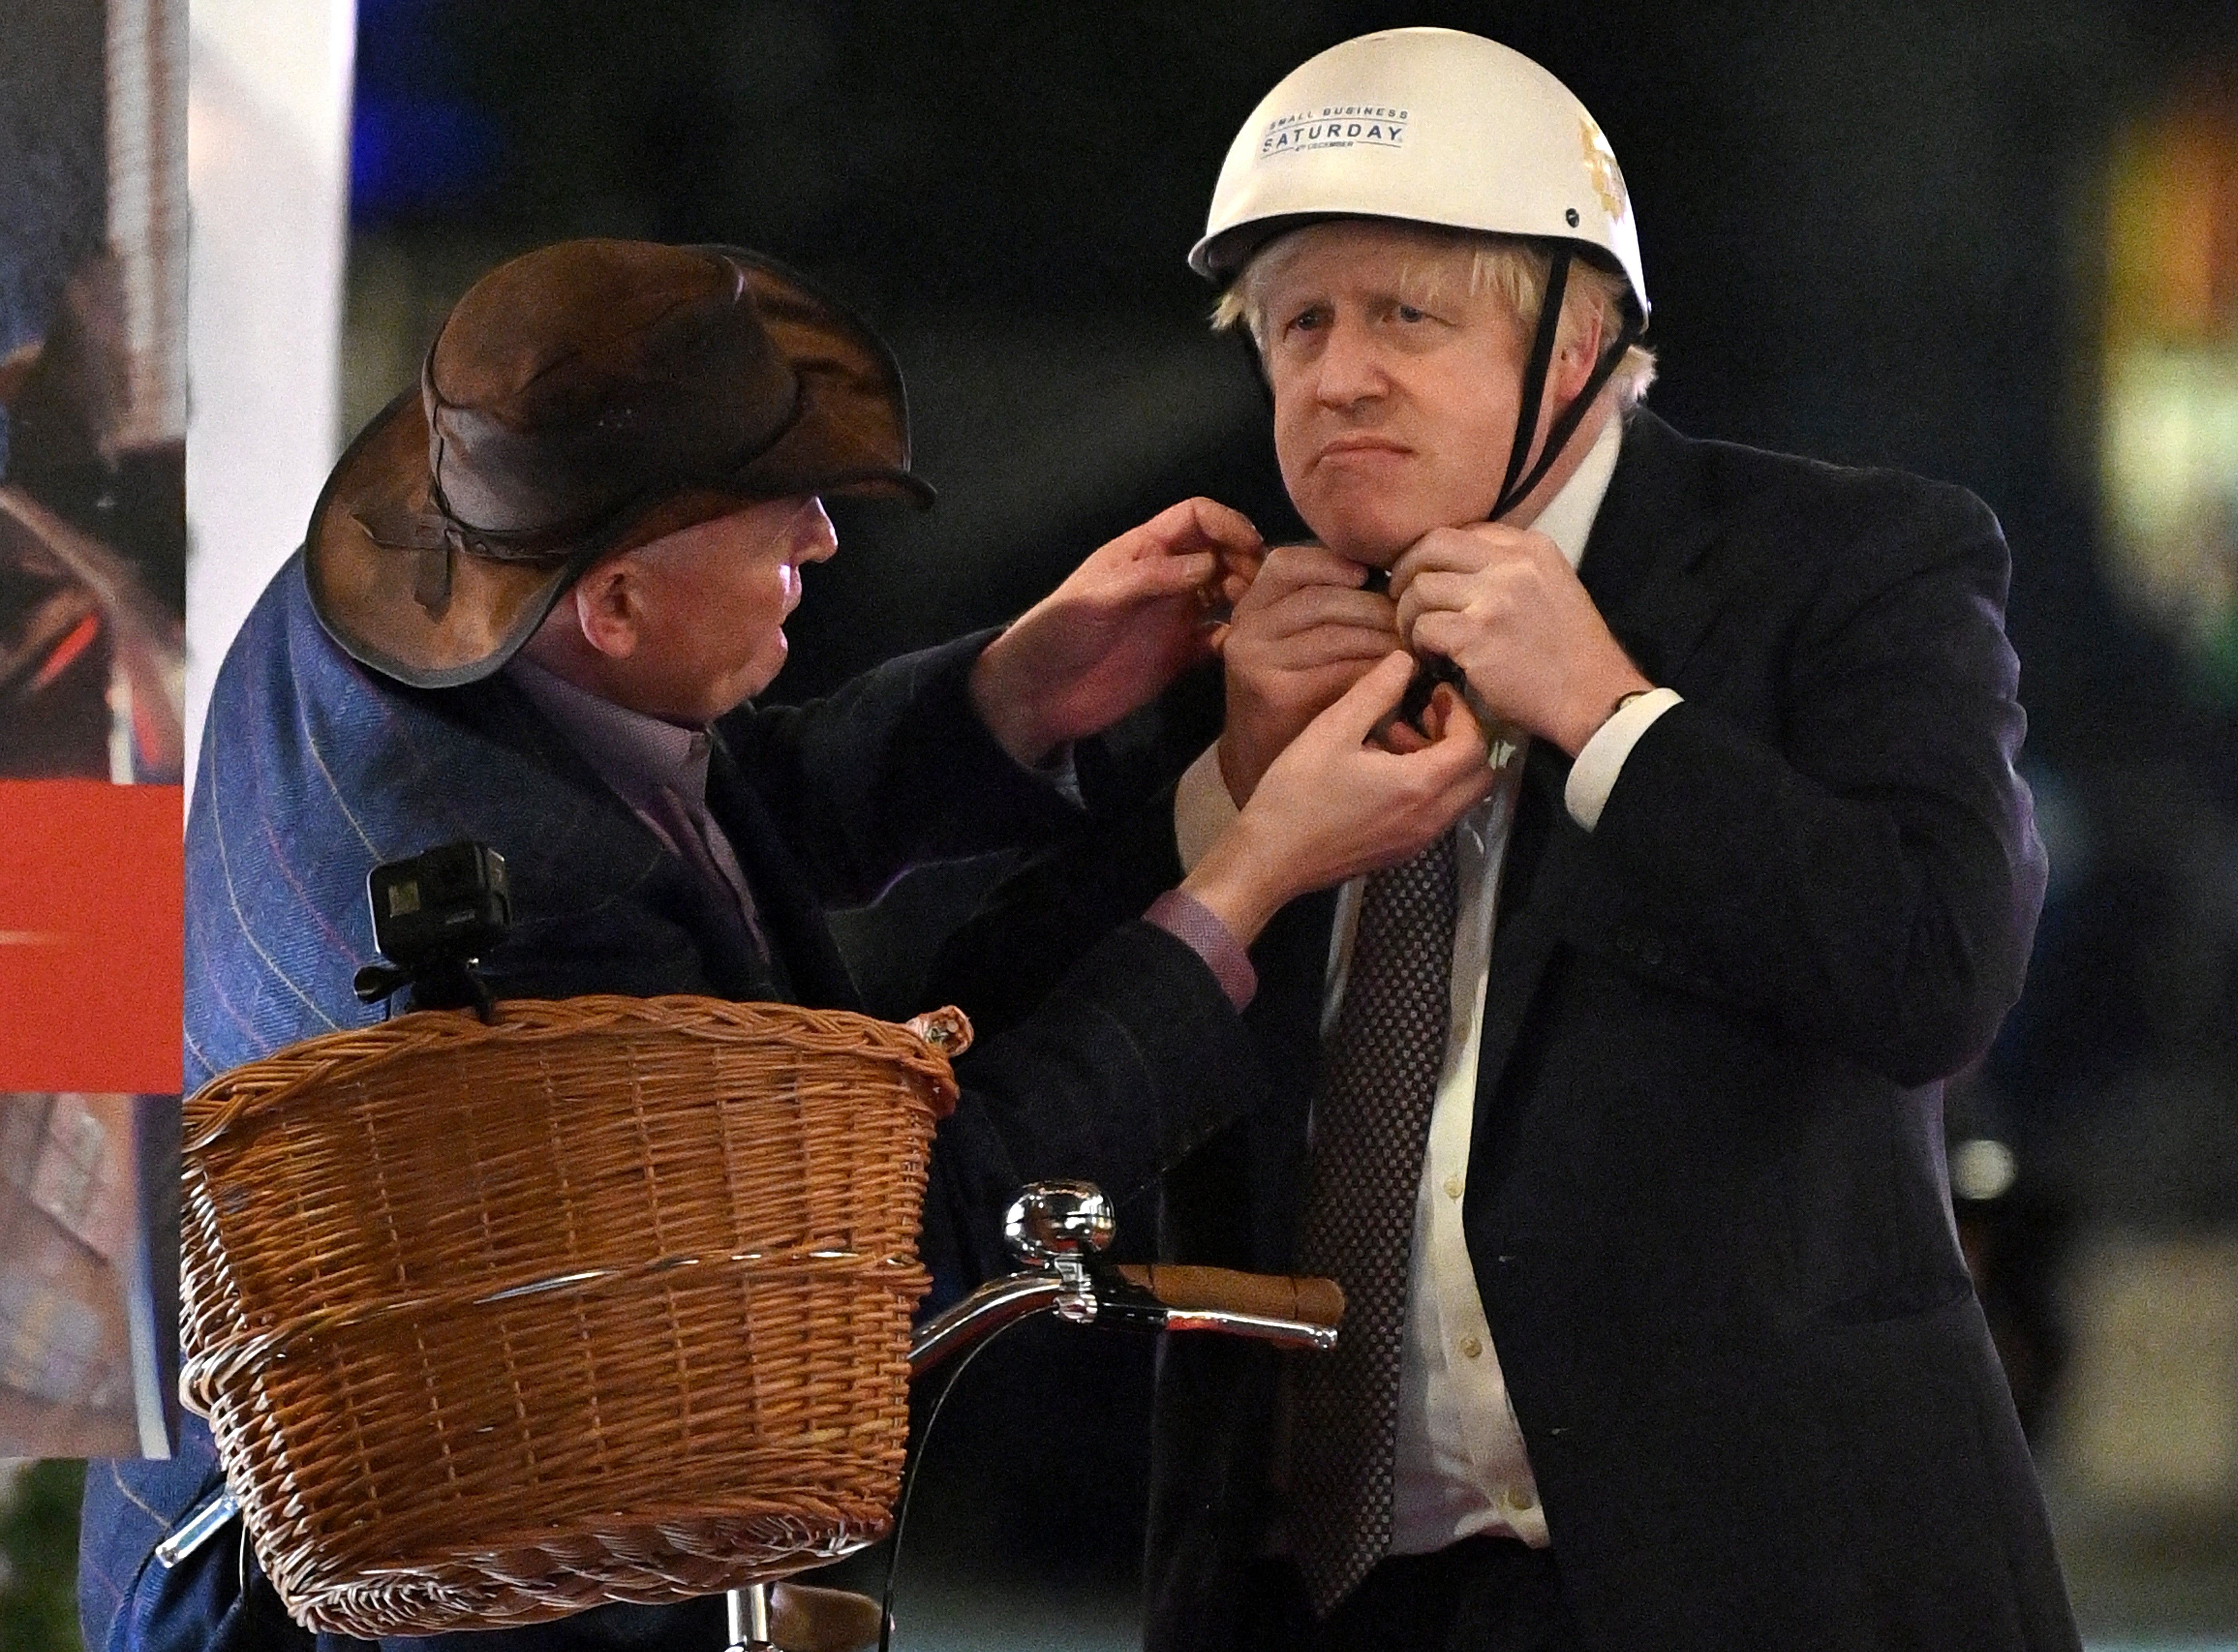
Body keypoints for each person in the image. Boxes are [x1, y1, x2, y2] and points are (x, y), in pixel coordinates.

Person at [78, 237, 1492, 1652]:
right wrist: (1254, 870)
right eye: (776, 510)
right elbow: (886, 1244)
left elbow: (687, 823)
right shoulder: (532, 924)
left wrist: (1015, 690)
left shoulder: (407, 586)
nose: (822, 539)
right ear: (615, 603)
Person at [935, 27, 2073, 1651]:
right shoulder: (1220, 638)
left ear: (1581, 345)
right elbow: (979, 1090)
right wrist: (1231, 798)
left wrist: (1613, 716)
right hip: (1310, 1601)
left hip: (1765, 1594)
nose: (1337, 374)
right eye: (1295, 324)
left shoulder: (1844, 562)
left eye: (1406, 314)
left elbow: (1935, 972)